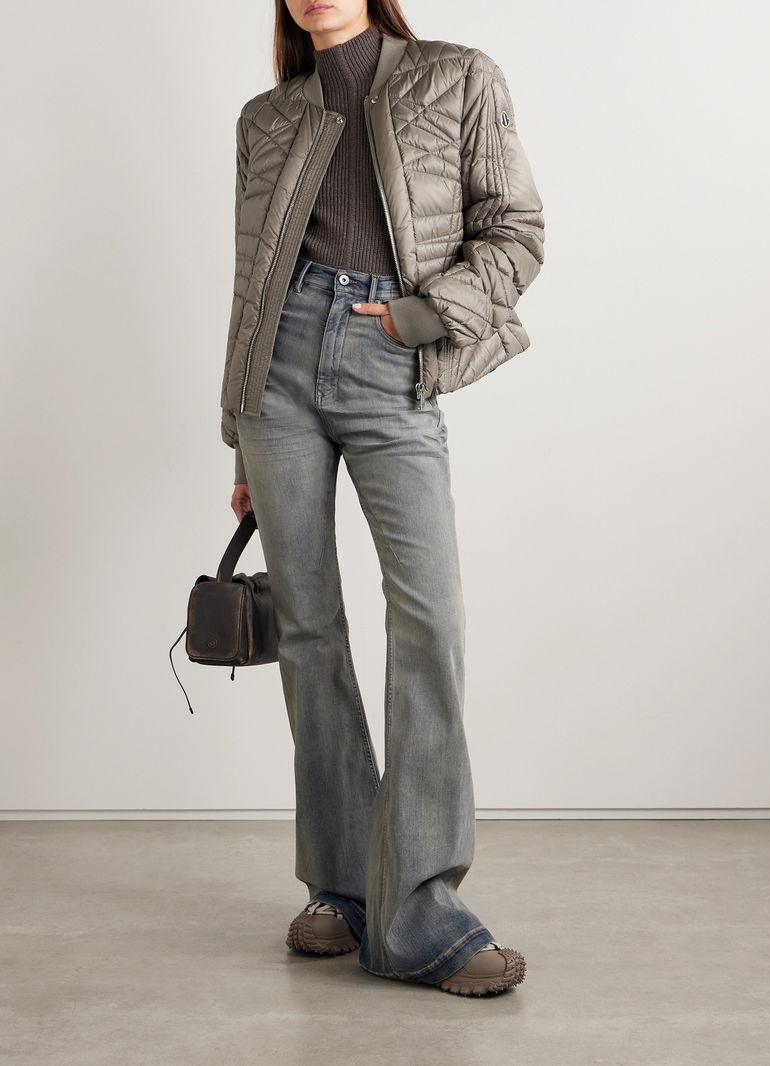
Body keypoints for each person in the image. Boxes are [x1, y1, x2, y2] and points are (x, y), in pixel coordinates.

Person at [221, 0, 544, 996]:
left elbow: (516, 231)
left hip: (387, 357)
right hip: (277, 375)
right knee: (308, 629)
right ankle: (340, 888)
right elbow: (250, 282)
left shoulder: (456, 74)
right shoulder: (268, 117)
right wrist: (237, 441)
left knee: (427, 621)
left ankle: (422, 913)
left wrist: (418, 317)